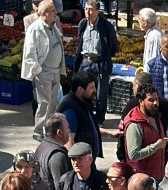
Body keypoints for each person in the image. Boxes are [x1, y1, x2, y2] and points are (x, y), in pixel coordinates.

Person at [22, 1, 69, 137]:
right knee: (44, 103)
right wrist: (38, 70)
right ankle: (38, 131)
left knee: (53, 103)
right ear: (44, 13)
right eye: (53, 11)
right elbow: (30, 54)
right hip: (43, 72)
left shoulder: (53, 26)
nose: (56, 13)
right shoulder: (35, 29)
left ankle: (49, 130)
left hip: (55, 71)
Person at [56, 71, 120, 160]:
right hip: (82, 163)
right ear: (80, 89)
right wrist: (79, 162)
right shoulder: (70, 110)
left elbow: (88, 127)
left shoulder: (83, 102)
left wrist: (109, 133)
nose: (95, 90)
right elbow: (68, 142)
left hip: (87, 162)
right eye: (91, 88)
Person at [73, 0, 118, 123]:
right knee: (82, 90)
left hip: (100, 63)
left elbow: (113, 46)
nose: (88, 12)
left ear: (98, 11)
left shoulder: (106, 26)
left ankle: (99, 119)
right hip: (85, 61)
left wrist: (105, 58)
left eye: (91, 10)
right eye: (86, 9)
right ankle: (84, 115)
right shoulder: (83, 23)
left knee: (100, 93)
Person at [121, 84, 168, 181]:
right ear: (141, 102)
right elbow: (133, 155)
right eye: (151, 100)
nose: (155, 103)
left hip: (157, 177)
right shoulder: (134, 125)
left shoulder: (155, 117)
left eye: (157, 99)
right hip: (142, 181)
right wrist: (156, 146)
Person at [35, 113, 74, 190]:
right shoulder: (58, 156)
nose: (69, 130)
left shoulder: (42, 146)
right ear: (59, 133)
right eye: (67, 128)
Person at [122, 72, 168, 137]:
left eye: (133, 85)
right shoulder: (166, 104)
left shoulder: (132, 104)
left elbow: (122, 128)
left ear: (137, 85)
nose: (132, 88)